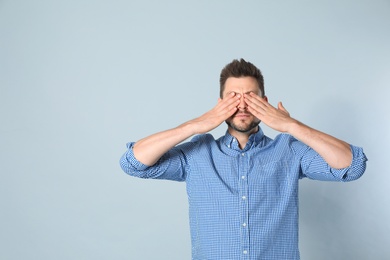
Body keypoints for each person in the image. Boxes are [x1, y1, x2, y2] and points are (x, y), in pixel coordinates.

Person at [119, 58, 367, 260]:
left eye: (250, 97)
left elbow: (352, 166)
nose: (242, 106)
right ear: (220, 104)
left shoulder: (289, 151)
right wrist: (194, 125)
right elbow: (134, 163)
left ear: (265, 102)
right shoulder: (197, 154)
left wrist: (291, 125)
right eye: (233, 98)